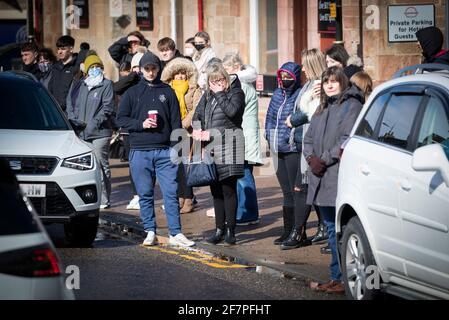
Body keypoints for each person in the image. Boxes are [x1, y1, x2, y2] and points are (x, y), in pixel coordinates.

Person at [116, 51, 195, 248]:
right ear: (141, 70)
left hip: (164, 151)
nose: (151, 72)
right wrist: (141, 124)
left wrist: (178, 149)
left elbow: (176, 122)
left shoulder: (167, 91)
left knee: (171, 192)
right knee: (145, 194)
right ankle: (150, 231)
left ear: (159, 68)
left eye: (154, 68)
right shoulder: (132, 93)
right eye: (147, 69)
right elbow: (121, 119)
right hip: (140, 151)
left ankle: (176, 233)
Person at [304, 66, 364, 294]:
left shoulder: (352, 106)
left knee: (338, 231)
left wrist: (324, 160)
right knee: (330, 229)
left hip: (337, 175)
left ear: (343, 83)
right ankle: (335, 276)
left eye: (334, 82)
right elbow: (308, 138)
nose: (329, 85)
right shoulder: (322, 107)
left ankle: (343, 278)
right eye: (326, 82)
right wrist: (311, 159)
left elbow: (345, 140)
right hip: (319, 175)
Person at [192, 63, 245, 245]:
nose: (216, 83)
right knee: (216, 191)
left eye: (220, 79)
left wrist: (221, 93)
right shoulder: (207, 96)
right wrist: (198, 131)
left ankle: (231, 231)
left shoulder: (236, 93)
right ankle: (218, 229)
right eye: (212, 80)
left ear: (226, 78)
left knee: (228, 190)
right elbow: (196, 117)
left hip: (230, 146)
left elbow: (233, 114)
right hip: (211, 148)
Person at [283, 48, 328, 250]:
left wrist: (293, 119)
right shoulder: (309, 84)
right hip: (302, 139)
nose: (302, 69)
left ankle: (298, 231)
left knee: (301, 188)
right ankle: (322, 227)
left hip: (314, 143)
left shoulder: (320, 85)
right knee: (310, 187)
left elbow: (313, 112)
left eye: (305, 65)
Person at [66, 55, 116, 210]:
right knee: (87, 167)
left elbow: (107, 108)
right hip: (82, 133)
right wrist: (74, 120)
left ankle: (104, 199)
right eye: (92, 67)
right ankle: (87, 197)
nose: (95, 69)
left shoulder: (106, 84)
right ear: (86, 70)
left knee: (101, 166)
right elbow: (70, 104)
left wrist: (92, 124)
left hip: (100, 133)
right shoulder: (79, 85)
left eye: (98, 66)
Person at [265, 61, 304, 246]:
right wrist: (268, 136)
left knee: (295, 192)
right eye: (283, 76)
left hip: (291, 150)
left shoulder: (300, 95)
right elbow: (270, 118)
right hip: (276, 148)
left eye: (290, 77)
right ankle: (287, 231)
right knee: (286, 193)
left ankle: (298, 232)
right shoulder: (276, 94)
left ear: (296, 78)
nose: (286, 80)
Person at [222, 53, 262, 225]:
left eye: (227, 68)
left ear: (236, 67)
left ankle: (248, 214)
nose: (224, 72)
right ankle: (243, 211)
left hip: (244, 134)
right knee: (242, 174)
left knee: (244, 175)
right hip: (244, 133)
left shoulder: (242, 85)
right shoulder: (243, 83)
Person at [161, 57, 203, 214]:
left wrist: (182, 123)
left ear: (188, 75)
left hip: (187, 132)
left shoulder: (194, 89)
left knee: (186, 167)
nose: (179, 76)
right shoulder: (166, 89)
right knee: (175, 167)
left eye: (183, 73)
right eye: (177, 73)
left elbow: (196, 109)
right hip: (170, 132)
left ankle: (189, 199)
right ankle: (180, 197)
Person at [49, 35, 79, 113]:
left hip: (70, 112)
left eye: (63, 49)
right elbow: (50, 88)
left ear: (71, 49)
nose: (59, 52)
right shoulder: (55, 67)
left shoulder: (77, 67)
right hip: (55, 111)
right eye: (58, 49)